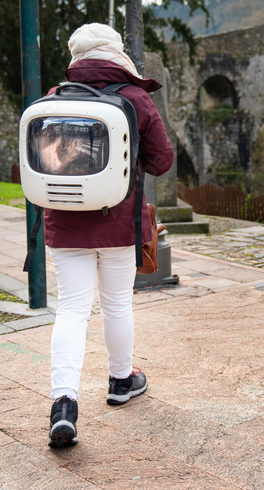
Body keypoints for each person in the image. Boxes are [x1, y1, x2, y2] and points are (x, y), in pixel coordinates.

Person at [44, 23, 174, 448]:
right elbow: (162, 161)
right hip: (119, 223)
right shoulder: (135, 98)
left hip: (65, 224)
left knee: (71, 311)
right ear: (116, 53)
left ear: (77, 57)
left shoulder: (53, 98)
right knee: (117, 306)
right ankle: (122, 380)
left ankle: (64, 404)